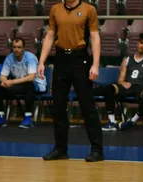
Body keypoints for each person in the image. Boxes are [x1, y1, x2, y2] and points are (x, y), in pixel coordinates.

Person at [37, 0, 104, 162]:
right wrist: (41, 61)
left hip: (80, 58)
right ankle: (60, 149)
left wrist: (95, 64)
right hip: (61, 58)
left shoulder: (89, 9)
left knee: (87, 105)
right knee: (58, 105)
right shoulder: (56, 9)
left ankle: (97, 149)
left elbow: (95, 37)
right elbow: (50, 35)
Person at [95, 33, 143, 131]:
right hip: (128, 85)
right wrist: (122, 83)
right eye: (141, 43)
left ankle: (132, 121)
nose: (142, 46)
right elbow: (120, 79)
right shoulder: (127, 60)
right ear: (138, 43)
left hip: (141, 87)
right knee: (109, 89)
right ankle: (112, 122)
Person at [0, 37, 47, 129]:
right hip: (18, 84)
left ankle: (28, 118)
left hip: (36, 84)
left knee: (28, 85)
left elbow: (31, 77)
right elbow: (3, 76)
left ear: (23, 48)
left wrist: (11, 82)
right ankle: (0, 117)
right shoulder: (9, 58)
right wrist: (4, 82)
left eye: (19, 47)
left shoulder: (30, 58)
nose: (16, 49)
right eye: (14, 47)